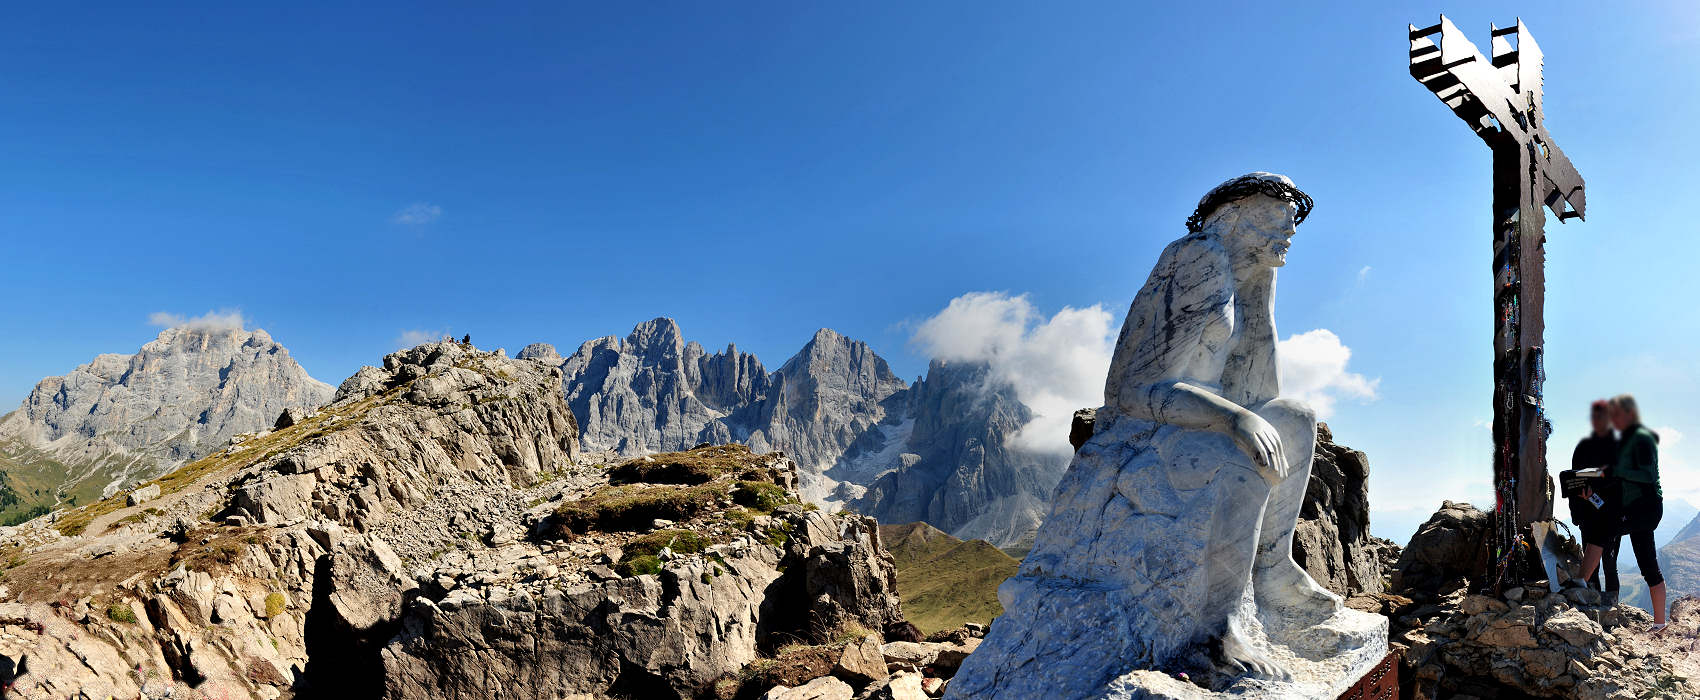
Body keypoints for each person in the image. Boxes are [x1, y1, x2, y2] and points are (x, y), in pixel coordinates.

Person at [1576, 393, 1666, 630]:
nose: (1613, 420)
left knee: (1603, 529)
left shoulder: (1642, 438)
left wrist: (1616, 471)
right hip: (1639, 509)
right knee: (1648, 565)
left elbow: (1646, 474)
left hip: (1645, 506)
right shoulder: (1628, 440)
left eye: (1616, 415)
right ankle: (1659, 625)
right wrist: (1592, 494)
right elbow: (1615, 485)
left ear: (1629, 413)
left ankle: (1578, 585)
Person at [1567, 400, 1621, 602]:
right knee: (1593, 564)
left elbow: (1615, 477)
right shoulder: (1583, 447)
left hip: (1609, 513)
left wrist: (1595, 488)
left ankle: (1612, 606)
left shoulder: (1616, 447)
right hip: (1587, 513)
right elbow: (1573, 478)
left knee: (1609, 561)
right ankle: (1594, 601)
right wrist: (1576, 513)